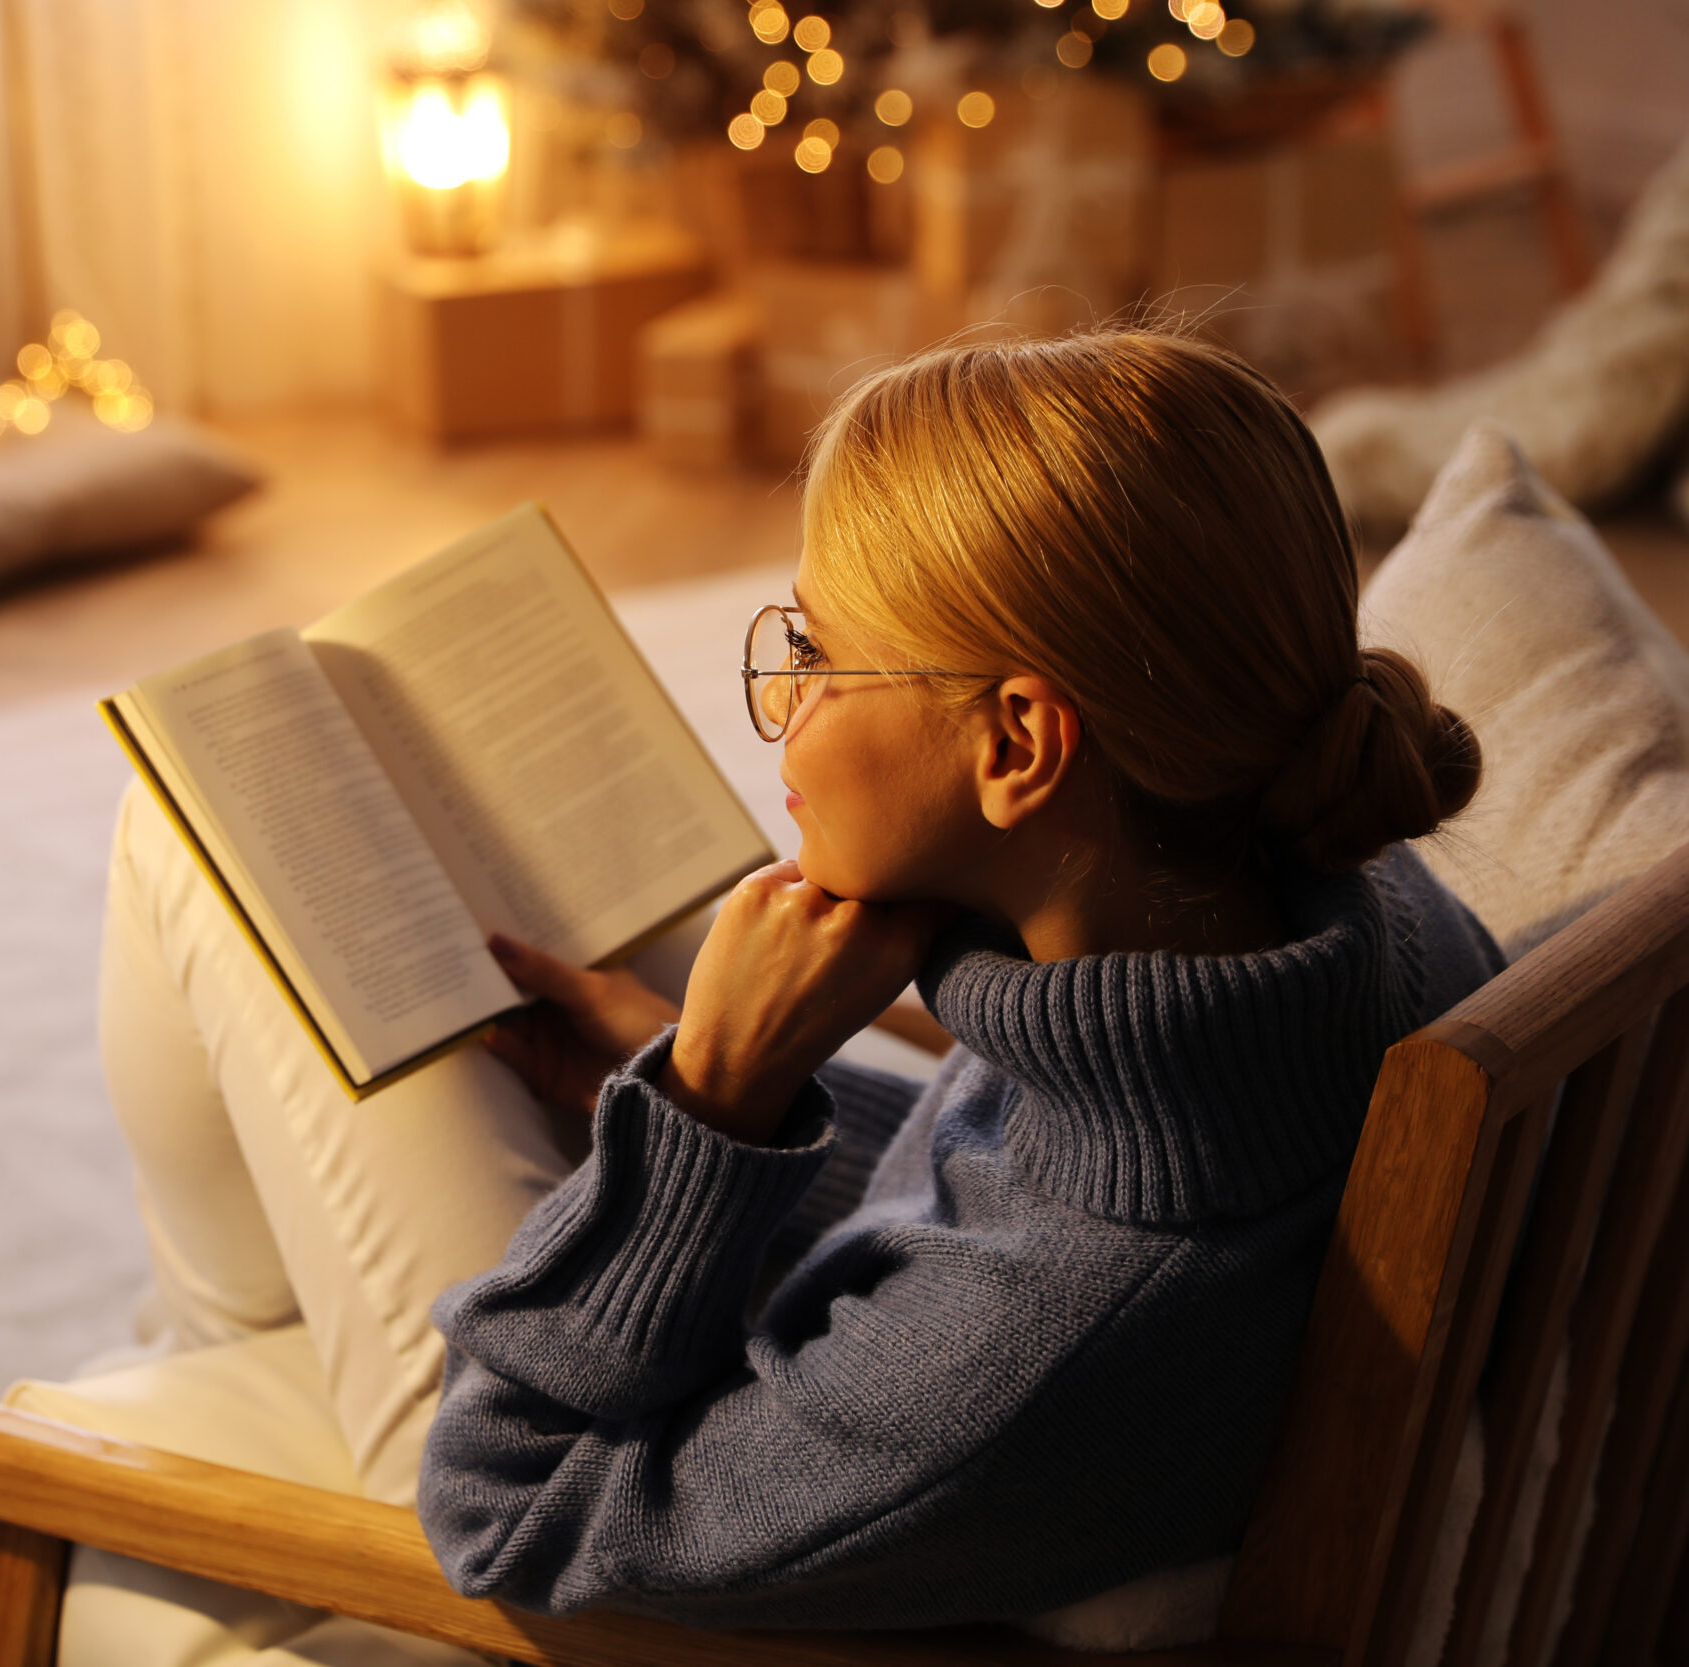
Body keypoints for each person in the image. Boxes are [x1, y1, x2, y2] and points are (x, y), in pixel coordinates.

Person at [93, 328, 1498, 1645]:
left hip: (544, 1530)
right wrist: (715, 1086)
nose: (784, 699)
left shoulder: (1034, 1350)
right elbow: (1001, 1187)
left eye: (818, 653)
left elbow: (506, 1513)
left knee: (197, 818)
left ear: (1017, 744)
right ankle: (216, 1352)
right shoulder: (1346, 912)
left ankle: (193, 1374)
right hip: (843, 1380)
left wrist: (709, 1107)